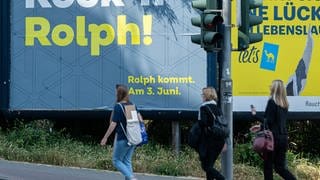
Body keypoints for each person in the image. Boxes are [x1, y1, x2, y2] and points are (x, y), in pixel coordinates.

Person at [250, 79, 296, 180]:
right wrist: (261, 127)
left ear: (274, 89)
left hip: (272, 139)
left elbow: (269, 121)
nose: (270, 87)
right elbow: (275, 122)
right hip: (283, 138)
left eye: (271, 85)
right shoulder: (284, 104)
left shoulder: (272, 102)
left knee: (268, 166)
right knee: (280, 167)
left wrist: (254, 115)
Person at [100, 84, 142, 180]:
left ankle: (132, 178)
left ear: (119, 94)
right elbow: (140, 119)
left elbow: (113, 124)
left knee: (116, 160)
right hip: (133, 137)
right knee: (127, 161)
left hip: (123, 138)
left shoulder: (119, 107)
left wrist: (105, 137)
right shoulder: (132, 105)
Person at [198, 87, 226, 180]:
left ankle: (222, 178)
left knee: (206, 166)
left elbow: (203, 123)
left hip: (209, 140)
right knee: (210, 165)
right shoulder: (218, 108)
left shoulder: (204, 108)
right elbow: (223, 125)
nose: (202, 96)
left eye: (203, 94)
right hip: (220, 140)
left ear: (206, 96)